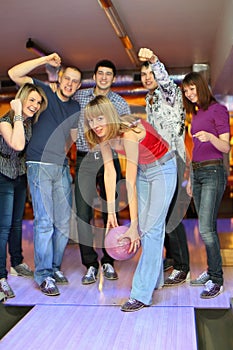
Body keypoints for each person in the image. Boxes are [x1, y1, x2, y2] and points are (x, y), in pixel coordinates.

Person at [84, 95, 177, 312]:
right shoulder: (103, 138)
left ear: (109, 115)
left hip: (163, 168)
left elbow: (130, 182)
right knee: (148, 229)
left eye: (99, 118)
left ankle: (141, 295)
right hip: (146, 171)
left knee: (151, 229)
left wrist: (133, 225)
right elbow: (109, 172)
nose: (95, 125)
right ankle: (155, 281)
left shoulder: (128, 134)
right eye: (90, 121)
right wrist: (111, 212)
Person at [8, 53, 82, 296]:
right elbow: (13, 74)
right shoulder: (44, 92)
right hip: (38, 165)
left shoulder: (76, 106)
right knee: (44, 221)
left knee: (63, 222)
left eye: (75, 81)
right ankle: (44, 275)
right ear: (59, 79)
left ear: (78, 86)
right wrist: (43, 62)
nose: (70, 84)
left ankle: (54, 267)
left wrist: (61, 154)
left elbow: (71, 135)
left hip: (60, 167)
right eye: (67, 79)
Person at [72, 60, 130, 284]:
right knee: (83, 213)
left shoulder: (120, 102)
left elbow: (124, 129)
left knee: (110, 209)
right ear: (94, 76)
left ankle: (108, 260)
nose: (104, 77)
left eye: (108, 74)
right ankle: (89, 264)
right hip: (85, 156)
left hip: (111, 157)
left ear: (113, 78)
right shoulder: (80, 96)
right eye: (100, 73)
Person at [139, 47, 191, 286]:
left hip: (174, 158)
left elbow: (165, 82)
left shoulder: (168, 93)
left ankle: (182, 266)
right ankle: (170, 257)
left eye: (150, 73)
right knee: (161, 211)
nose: (147, 77)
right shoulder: (149, 99)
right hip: (158, 160)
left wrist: (153, 60)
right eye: (143, 74)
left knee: (170, 214)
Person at [182, 72, 230, 298]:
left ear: (201, 87)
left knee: (206, 229)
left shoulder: (217, 110)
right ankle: (211, 272)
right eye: (186, 91)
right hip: (199, 172)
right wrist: (191, 177)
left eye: (192, 89)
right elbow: (195, 152)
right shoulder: (197, 113)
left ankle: (217, 280)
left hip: (213, 171)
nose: (189, 94)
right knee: (205, 226)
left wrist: (210, 137)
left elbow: (225, 147)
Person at [0, 83, 47, 299]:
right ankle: (1, 277)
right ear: (21, 99)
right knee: (4, 227)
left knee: (17, 223)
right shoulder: (5, 121)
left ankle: (17, 262)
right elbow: (17, 144)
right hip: (2, 176)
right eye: (32, 100)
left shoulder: (28, 123)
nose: (35, 105)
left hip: (19, 175)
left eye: (38, 102)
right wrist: (17, 112)